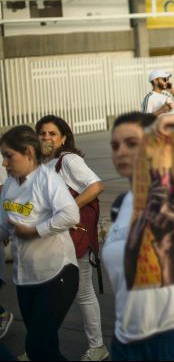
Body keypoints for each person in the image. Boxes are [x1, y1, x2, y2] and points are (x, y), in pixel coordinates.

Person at [103, 112, 174, 360]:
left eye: (132, 143)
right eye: (115, 145)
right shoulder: (120, 205)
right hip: (125, 341)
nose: (121, 152)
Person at [0, 125, 80, 361]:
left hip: (56, 275)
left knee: (37, 346)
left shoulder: (47, 179)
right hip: (25, 278)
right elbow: (5, 222)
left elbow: (70, 215)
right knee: (46, 345)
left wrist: (35, 230)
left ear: (28, 153)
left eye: (8, 156)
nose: (4, 163)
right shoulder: (12, 183)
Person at [36, 115, 109, 362]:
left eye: (52, 133)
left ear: (64, 138)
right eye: (42, 133)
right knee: (47, 295)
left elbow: (96, 185)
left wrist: (69, 209)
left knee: (83, 292)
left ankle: (97, 347)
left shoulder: (69, 160)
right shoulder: (43, 164)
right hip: (52, 238)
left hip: (72, 236)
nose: (47, 137)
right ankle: (39, 347)